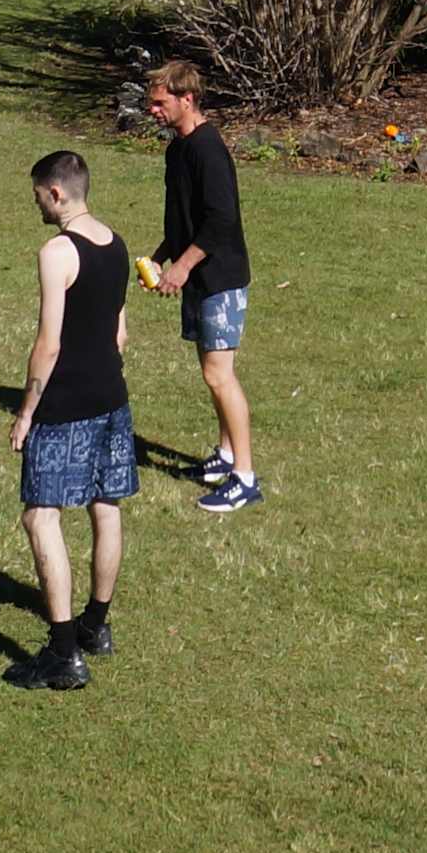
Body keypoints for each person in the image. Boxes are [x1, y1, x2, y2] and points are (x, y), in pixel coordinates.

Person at [3, 149, 133, 692]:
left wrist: (27, 411)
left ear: (55, 193)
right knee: (105, 507)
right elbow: (119, 334)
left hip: (65, 406)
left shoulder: (58, 252)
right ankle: (96, 627)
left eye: (37, 194)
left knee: (42, 518)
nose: (35, 203)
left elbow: (48, 344)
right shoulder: (116, 243)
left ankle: (62, 655)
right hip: (112, 398)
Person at [140, 59, 261, 513]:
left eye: (159, 102)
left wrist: (183, 267)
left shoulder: (208, 149)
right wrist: (160, 254)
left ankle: (244, 478)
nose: (152, 109)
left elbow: (220, 221)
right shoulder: (178, 149)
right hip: (198, 276)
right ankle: (226, 455)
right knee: (213, 374)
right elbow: (184, 220)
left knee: (219, 374)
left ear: (186, 99)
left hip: (220, 280)